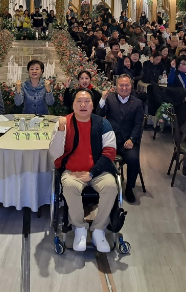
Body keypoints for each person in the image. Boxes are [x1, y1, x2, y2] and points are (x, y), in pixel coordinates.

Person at [49, 89, 117, 252]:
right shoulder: (63, 123)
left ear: (93, 105)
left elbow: (110, 152)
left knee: (111, 186)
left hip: (98, 171)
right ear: (72, 105)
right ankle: (79, 228)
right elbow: (54, 153)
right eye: (79, 101)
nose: (83, 104)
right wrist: (60, 132)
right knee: (70, 186)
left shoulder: (103, 123)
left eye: (87, 101)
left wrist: (91, 173)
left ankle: (99, 230)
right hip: (72, 172)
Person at [98, 75, 143, 203]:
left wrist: (132, 139)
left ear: (131, 86)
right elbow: (99, 115)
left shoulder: (137, 103)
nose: (124, 88)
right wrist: (102, 100)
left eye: (126, 85)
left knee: (134, 159)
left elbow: (138, 125)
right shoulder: (110, 99)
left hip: (127, 142)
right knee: (97, 154)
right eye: (121, 85)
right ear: (116, 87)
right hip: (110, 140)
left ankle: (129, 188)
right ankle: (102, 185)